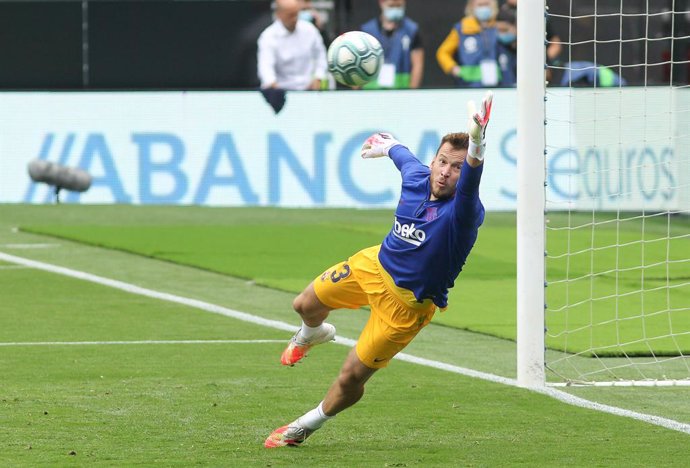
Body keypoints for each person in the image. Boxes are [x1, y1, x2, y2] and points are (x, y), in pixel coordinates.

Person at [264, 91, 493, 448]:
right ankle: (313, 333)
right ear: (433, 160)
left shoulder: (464, 214)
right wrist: (387, 145)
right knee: (304, 305)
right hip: (373, 265)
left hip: (405, 308)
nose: (446, 172)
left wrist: (477, 145)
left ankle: (306, 424)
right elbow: (399, 152)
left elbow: (470, 183)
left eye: (457, 168)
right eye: (443, 162)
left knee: (351, 378)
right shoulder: (418, 176)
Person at [256, 0, 328, 91]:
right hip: (281, 92)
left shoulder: (310, 30)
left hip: (309, 91)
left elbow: (321, 56)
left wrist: (318, 77)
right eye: (290, 15)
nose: (294, 19)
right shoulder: (268, 37)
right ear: (279, 14)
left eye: (296, 14)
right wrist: (273, 87)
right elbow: (265, 68)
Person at [360, 0, 424, 89]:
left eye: (399, 6)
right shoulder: (367, 31)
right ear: (381, 3)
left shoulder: (412, 30)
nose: (395, 9)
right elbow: (358, 62)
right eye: (391, 6)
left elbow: (417, 65)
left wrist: (412, 92)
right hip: (371, 91)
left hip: (401, 91)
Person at [436, 0, 501, 87]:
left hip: (496, 83)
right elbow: (443, 52)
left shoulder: (498, 25)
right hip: (468, 83)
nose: (483, 8)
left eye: (486, 4)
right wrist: (453, 68)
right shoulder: (462, 28)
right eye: (480, 5)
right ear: (471, 6)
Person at [495, 7, 517, 87]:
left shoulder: (530, 48)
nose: (501, 34)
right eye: (498, 31)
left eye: (504, 30)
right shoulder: (497, 46)